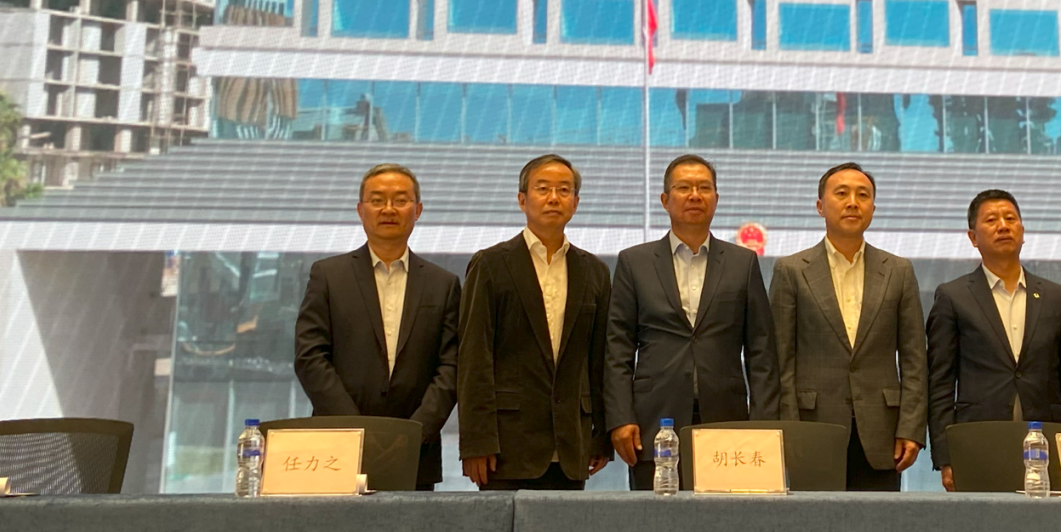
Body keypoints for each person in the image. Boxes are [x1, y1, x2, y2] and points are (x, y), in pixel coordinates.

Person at [606, 154, 780, 490]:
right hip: (654, 421)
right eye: (684, 188)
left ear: (716, 198)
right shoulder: (634, 262)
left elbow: (761, 351)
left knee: (726, 515)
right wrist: (621, 417)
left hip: (728, 422)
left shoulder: (742, 262)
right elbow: (617, 349)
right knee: (657, 517)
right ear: (665, 199)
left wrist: (763, 423)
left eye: (704, 188)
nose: (695, 195)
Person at [294, 163, 460, 489]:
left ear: (418, 210)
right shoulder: (328, 275)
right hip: (336, 448)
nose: (388, 209)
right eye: (377, 200)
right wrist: (355, 430)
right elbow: (309, 356)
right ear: (360, 210)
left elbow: (452, 366)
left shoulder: (443, 284)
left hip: (415, 452)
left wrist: (413, 434)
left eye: (400, 200)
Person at [457, 154, 612, 490]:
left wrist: (601, 434)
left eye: (564, 190)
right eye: (543, 189)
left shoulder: (594, 271)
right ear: (522, 200)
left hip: (571, 444)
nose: (554, 198)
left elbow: (598, 360)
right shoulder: (490, 264)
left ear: (575, 203)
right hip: (508, 445)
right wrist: (476, 441)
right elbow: (473, 357)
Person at [770, 162, 926, 491]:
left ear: (873, 209)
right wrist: (788, 429)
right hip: (813, 428)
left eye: (863, 195)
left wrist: (911, 427)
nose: (853, 202)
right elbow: (780, 360)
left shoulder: (898, 271)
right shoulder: (791, 271)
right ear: (820, 206)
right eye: (841, 193)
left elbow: (914, 358)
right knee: (815, 520)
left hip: (883, 431)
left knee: (877, 521)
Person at [926, 189, 1061, 491]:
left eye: (1010, 219)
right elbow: (940, 384)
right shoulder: (953, 297)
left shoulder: (1056, 297)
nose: (1003, 226)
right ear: (973, 237)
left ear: (1022, 231)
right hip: (978, 440)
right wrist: (946, 456)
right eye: (991, 220)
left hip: (1046, 441)